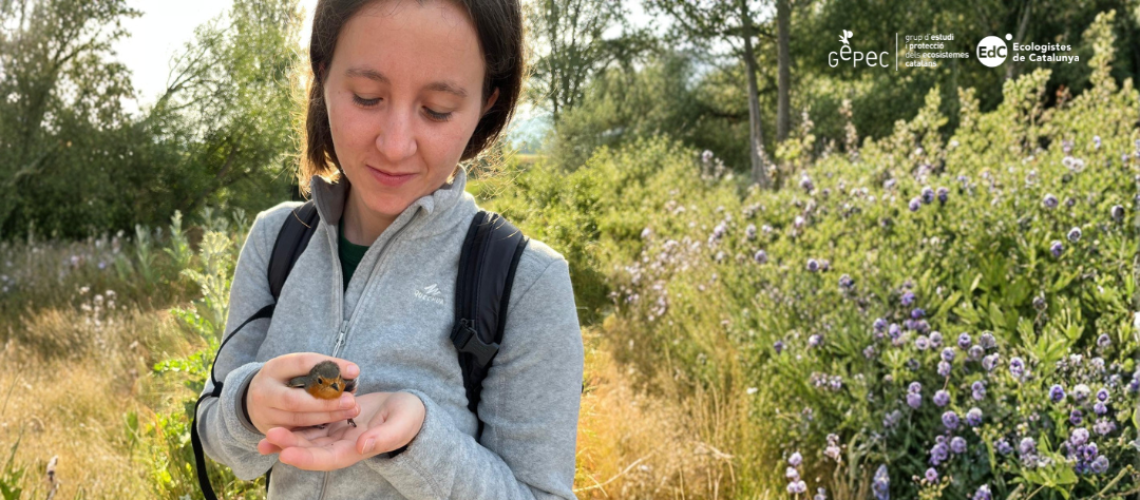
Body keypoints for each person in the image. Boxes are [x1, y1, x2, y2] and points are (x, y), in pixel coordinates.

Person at [194, 0, 584, 498]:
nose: (396, 145)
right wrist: (247, 405)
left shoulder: (526, 283)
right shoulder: (277, 240)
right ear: (322, 73)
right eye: (366, 97)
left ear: (488, 101)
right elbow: (218, 436)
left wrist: (416, 441)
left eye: (437, 110)